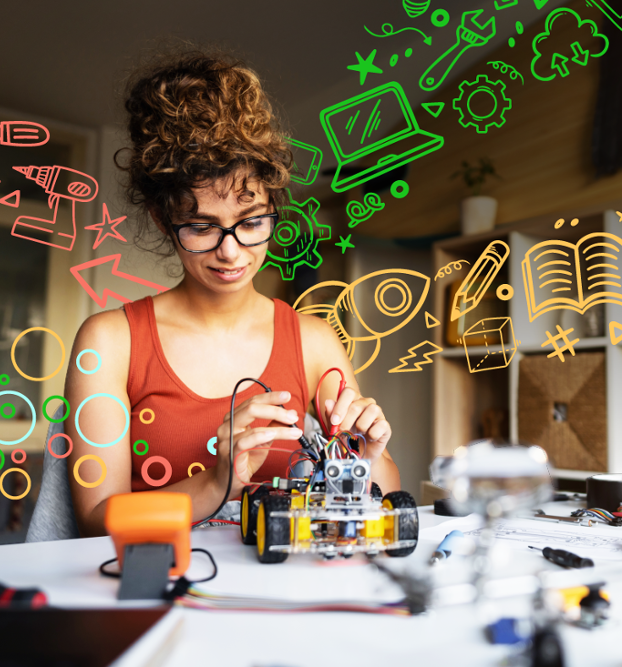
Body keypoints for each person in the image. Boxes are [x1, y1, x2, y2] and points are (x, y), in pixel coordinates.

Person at [62, 50, 399, 537]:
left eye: (251, 223)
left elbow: (385, 493)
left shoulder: (314, 340)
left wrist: (366, 458)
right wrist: (216, 481)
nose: (231, 252)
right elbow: (96, 523)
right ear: (164, 220)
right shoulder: (111, 341)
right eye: (201, 227)